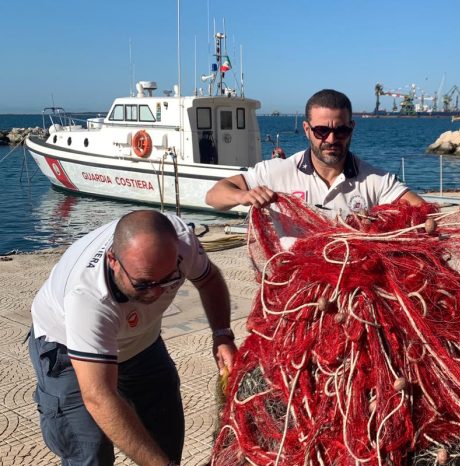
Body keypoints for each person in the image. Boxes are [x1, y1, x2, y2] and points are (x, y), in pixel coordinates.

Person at [28, 210, 237, 466]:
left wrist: (222, 334)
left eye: (168, 279)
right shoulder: (88, 298)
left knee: (164, 430)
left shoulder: (181, 241)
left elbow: (209, 280)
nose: (157, 292)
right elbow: (98, 396)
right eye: (143, 283)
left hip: (141, 343)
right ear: (113, 260)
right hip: (66, 344)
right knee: (90, 451)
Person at [205, 89, 424, 217]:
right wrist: (243, 196)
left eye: (341, 130)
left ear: (352, 129)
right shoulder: (277, 172)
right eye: (321, 130)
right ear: (307, 130)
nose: (331, 139)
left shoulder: (376, 180)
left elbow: (423, 210)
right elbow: (213, 196)